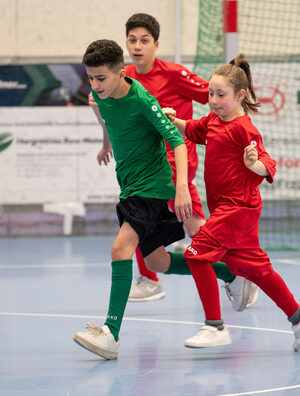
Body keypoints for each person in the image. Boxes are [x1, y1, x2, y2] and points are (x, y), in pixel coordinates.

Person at [90, 13, 258, 310]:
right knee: (142, 223)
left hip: (177, 167)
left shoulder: (172, 74)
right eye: (132, 40)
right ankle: (153, 278)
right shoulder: (119, 76)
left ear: (156, 44)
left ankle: (240, 274)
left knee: (198, 232)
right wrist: (105, 143)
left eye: (144, 40)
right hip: (149, 168)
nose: (137, 46)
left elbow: (215, 96)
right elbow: (109, 115)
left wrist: (228, 127)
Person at [163, 54, 300, 350]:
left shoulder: (244, 128)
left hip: (238, 208)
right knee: (252, 268)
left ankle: (215, 326)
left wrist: (254, 165)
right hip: (226, 209)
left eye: (220, 94)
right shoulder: (213, 121)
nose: (213, 100)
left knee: (196, 255)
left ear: (240, 95)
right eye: (210, 93)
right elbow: (192, 129)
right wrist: (175, 120)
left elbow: (267, 163)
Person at [73, 39, 192, 360]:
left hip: (151, 187)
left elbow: (177, 141)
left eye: (100, 78)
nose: (94, 85)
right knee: (157, 262)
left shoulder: (141, 99)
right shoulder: (100, 97)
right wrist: (105, 143)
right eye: (90, 77)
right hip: (130, 188)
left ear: (119, 72)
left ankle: (110, 333)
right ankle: (229, 275)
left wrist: (182, 187)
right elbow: (104, 114)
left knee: (120, 249)